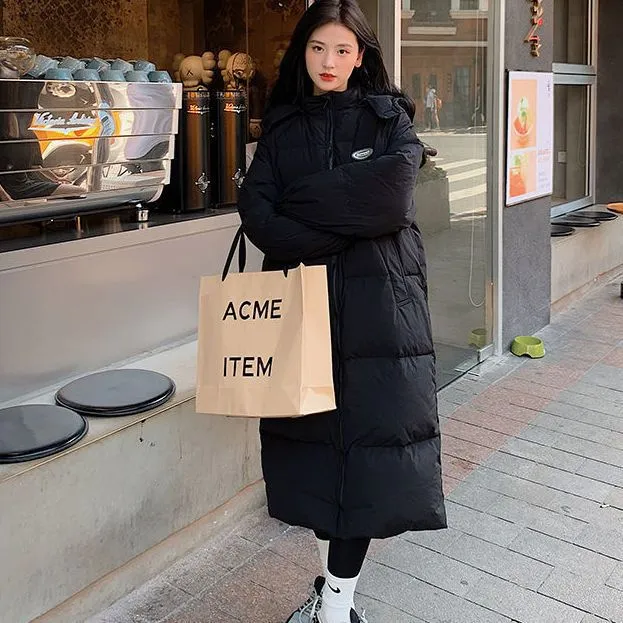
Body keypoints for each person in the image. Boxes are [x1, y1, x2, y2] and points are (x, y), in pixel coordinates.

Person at [237, 1, 446, 622]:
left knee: (372, 457)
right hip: (303, 310)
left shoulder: (388, 120)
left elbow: (390, 202)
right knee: (315, 454)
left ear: (361, 56)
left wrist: (302, 206)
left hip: (381, 313)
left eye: (342, 50)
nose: (328, 61)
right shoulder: (282, 127)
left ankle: (336, 602)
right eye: (317, 48)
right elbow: (259, 217)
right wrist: (345, 221)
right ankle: (334, 593)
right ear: (301, 51)